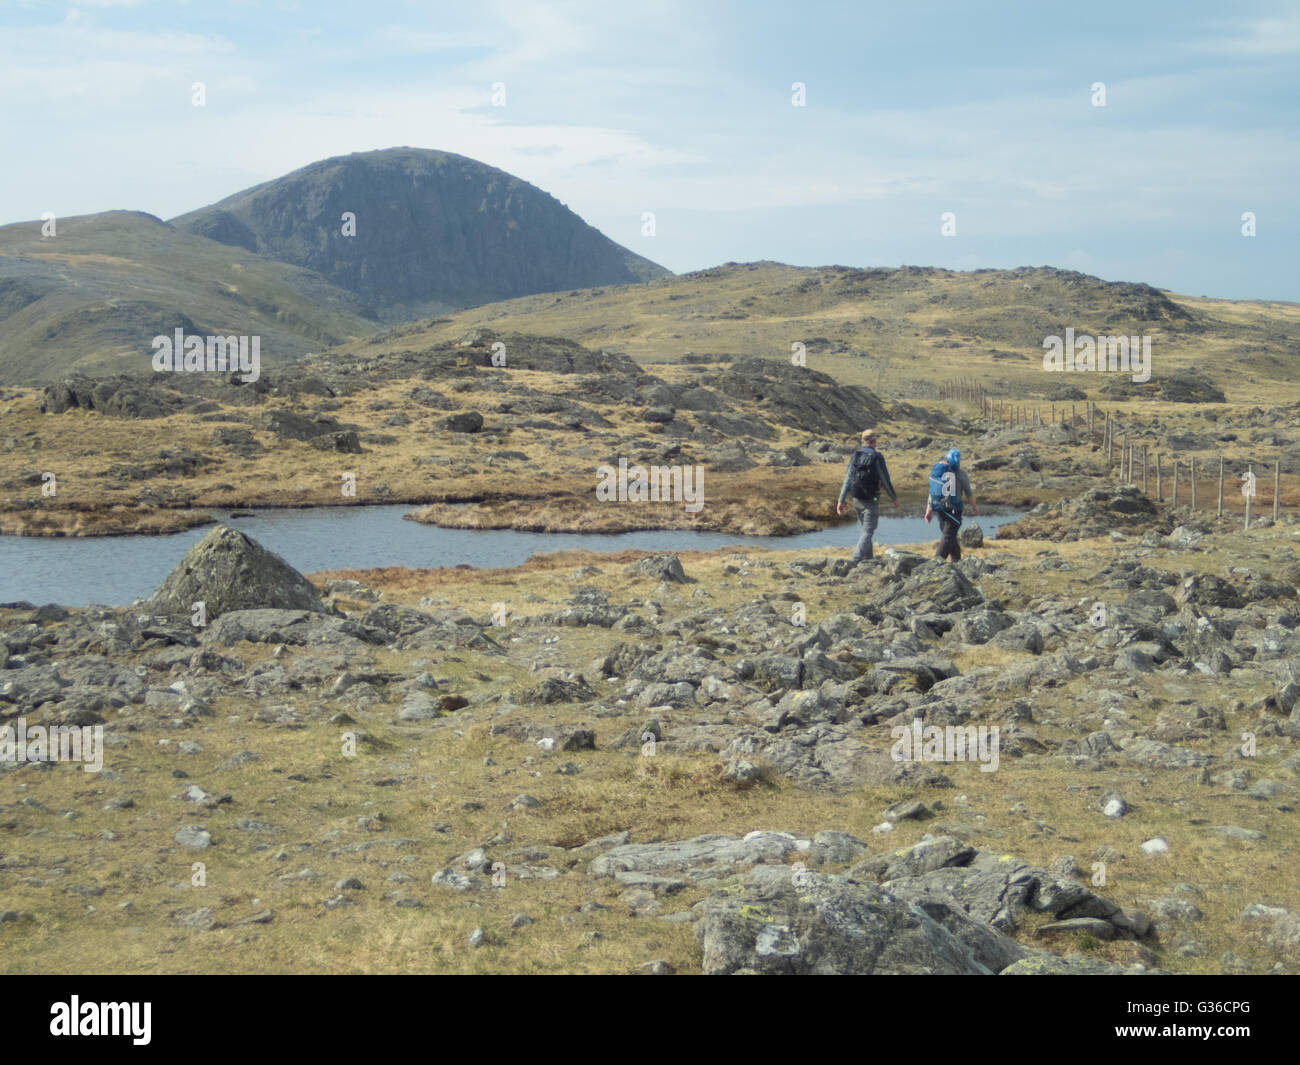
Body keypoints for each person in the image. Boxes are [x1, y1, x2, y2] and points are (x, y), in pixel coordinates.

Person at [836, 428, 899, 562]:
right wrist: (893, 498)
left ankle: (868, 559)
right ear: (874, 441)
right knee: (868, 531)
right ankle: (856, 559)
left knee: (865, 529)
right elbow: (885, 480)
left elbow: (848, 478)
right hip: (871, 499)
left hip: (856, 498)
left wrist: (840, 500)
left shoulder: (855, 456)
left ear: (863, 441)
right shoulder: (877, 457)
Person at [925, 448, 978, 562]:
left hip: (940, 510)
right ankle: (936, 564)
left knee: (951, 539)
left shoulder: (939, 472)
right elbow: (968, 492)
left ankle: (957, 562)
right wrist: (974, 507)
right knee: (948, 538)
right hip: (954, 512)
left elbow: (932, 492)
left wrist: (928, 510)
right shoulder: (960, 473)